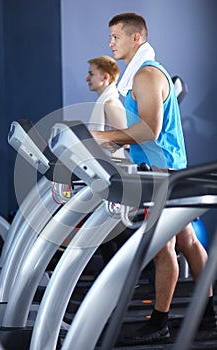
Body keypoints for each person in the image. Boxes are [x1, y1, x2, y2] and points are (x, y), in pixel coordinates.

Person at [91, 12, 216, 345]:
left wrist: (103, 138)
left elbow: (149, 130)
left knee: (164, 251)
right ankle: (209, 316)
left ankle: (159, 322)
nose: (110, 43)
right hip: (167, 169)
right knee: (188, 243)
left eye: (115, 37)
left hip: (165, 175)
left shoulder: (145, 75)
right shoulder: (140, 74)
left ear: (136, 38)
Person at [86, 55, 128, 159]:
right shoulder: (105, 102)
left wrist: (92, 139)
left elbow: (126, 142)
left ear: (105, 77)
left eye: (91, 74)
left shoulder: (111, 104)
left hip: (112, 166)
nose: (87, 79)